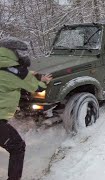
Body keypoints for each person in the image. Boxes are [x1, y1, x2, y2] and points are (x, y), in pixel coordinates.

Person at [0, 37, 52, 180]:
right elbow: (36, 87)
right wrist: (43, 81)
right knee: (17, 147)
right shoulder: (17, 72)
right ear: (15, 52)